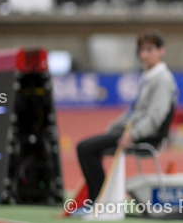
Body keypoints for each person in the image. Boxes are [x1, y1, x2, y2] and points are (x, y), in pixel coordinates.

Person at [75, 30, 177, 213]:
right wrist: (113, 128)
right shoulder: (148, 77)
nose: (144, 55)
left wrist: (132, 134)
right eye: (142, 50)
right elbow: (134, 112)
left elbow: (156, 116)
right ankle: (97, 200)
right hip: (132, 132)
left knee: (85, 148)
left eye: (150, 50)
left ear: (161, 50)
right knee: (87, 146)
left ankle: (98, 201)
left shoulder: (162, 79)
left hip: (146, 137)